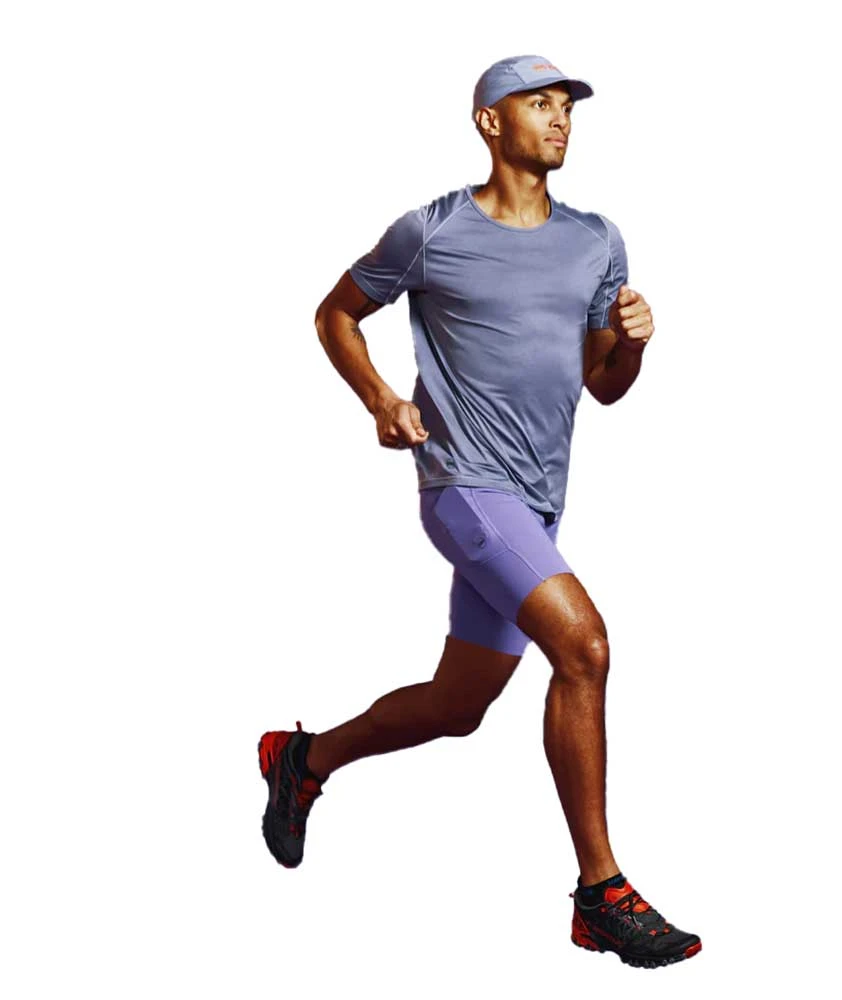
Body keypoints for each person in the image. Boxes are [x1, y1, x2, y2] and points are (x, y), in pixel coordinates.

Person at [258, 54, 702, 970]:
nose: (560, 119)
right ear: (490, 122)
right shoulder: (432, 230)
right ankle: (600, 894)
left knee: (458, 707)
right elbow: (336, 314)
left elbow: (604, 385)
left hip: (535, 504)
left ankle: (303, 761)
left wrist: (633, 345)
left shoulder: (597, 240)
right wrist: (382, 400)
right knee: (585, 647)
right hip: (462, 487)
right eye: (539, 104)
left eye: (567, 106)